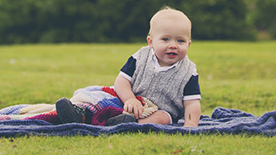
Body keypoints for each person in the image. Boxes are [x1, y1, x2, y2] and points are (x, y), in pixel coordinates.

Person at [57, 7, 203, 126]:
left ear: (188, 44)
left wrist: (190, 126)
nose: (173, 45)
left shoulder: (188, 73)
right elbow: (122, 81)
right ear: (151, 42)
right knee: (104, 99)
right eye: (165, 39)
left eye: (180, 41)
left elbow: (191, 104)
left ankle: (129, 123)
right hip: (129, 101)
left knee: (162, 118)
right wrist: (129, 99)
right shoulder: (140, 57)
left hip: (160, 110)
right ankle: (81, 114)